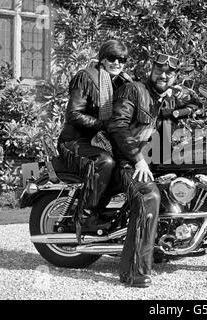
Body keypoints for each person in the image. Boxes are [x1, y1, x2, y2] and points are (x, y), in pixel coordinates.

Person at [103, 53, 185, 287]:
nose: (163, 74)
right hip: (124, 160)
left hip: (144, 160)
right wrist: (138, 159)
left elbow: (187, 108)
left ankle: (160, 247)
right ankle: (134, 273)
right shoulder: (133, 90)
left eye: (169, 72)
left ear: (175, 77)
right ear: (152, 70)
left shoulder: (164, 99)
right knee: (149, 195)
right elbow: (117, 126)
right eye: (159, 69)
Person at [57, 40, 132, 231]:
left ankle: (105, 213)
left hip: (101, 140)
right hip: (75, 141)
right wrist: (105, 125)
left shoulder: (124, 82)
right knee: (105, 162)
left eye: (122, 59)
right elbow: (73, 114)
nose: (117, 63)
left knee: (126, 167)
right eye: (112, 58)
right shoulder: (86, 77)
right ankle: (84, 217)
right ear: (103, 59)